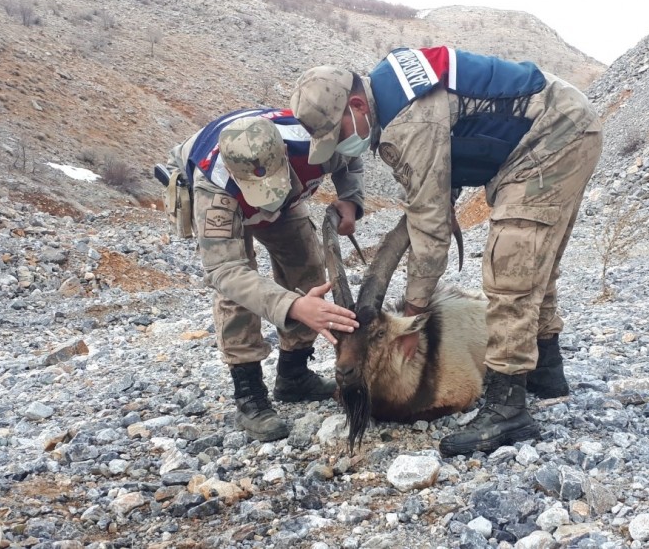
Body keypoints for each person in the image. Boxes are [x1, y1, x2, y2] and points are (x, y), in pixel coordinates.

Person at [290, 47, 603, 455]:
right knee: (535, 261)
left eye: (338, 135)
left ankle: (508, 408)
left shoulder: (408, 121)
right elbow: (441, 171)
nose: (344, 147)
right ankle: (547, 372)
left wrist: (414, 313)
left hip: (552, 137)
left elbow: (430, 226)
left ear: (356, 105)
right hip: (564, 125)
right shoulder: (392, 97)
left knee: (513, 264)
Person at [157, 108, 364, 442]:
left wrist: (351, 200)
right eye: (259, 190)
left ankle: (293, 376)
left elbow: (352, 155)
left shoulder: (315, 140)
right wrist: (292, 307)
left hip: (288, 194)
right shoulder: (215, 188)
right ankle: (249, 393)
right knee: (237, 294)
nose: (267, 203)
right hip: (229, 201)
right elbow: (225, 271)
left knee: (308, 268)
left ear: (284, 153)